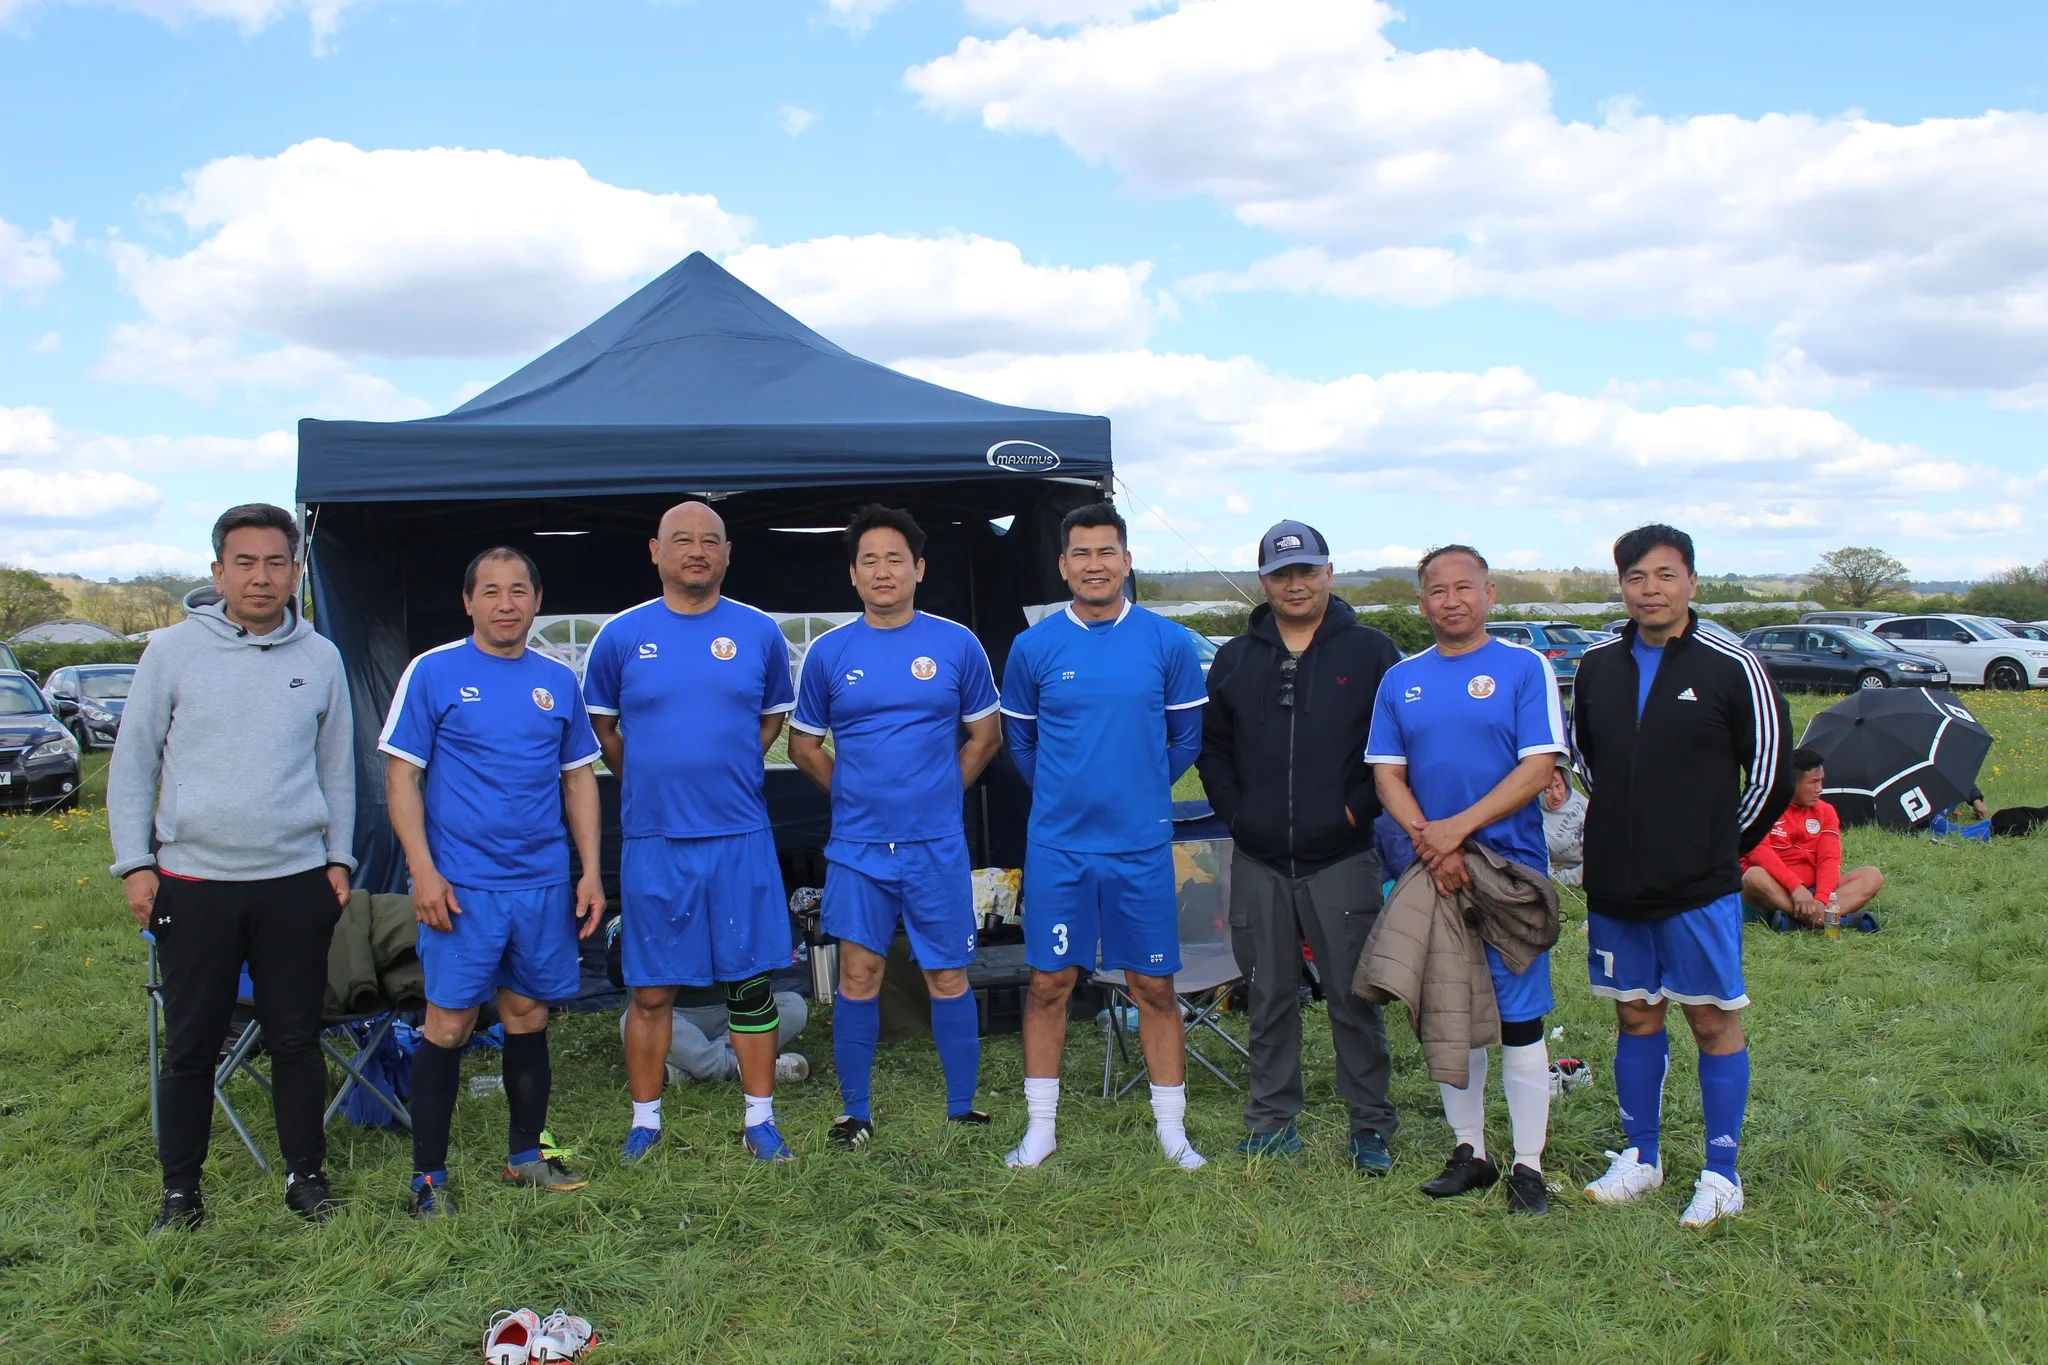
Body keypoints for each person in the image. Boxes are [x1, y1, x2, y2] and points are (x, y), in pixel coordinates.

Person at [109, 503, 355, 1232]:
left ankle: (306, 1177)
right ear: (218, 573)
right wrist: (135, 865)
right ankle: (180, 1193)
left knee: (296, 1039)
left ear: (296, 571)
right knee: (190, 1046)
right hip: (194, 881)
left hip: (295, 881)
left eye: (276, 562)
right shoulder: (171, 652)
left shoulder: (321, 657)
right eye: (244, 562)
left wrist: (338, 859)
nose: (261, 576)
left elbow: (337, 769)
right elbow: (132, 762)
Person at [1572, 524, 1792, 1228]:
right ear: (1621, 585)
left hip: (1699, 884)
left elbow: (1772, 775)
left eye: (1665, 575)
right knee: (1634, 1012)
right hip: (1616, 881)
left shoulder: (1734, 664)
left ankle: (1722, 1173)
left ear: (1692, 581)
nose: (1651, 590)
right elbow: (1587, 761)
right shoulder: (1597, 664)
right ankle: (1641, 1156)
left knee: (1709, 1017)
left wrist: (1715, 847)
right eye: (1636, 577)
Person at [378, 548, 607, 1219]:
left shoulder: (556, 680)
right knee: (448, 1024)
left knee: (528, 1015)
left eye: (518, 591)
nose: (505, 604)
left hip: (541, 884)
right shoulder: (433, 671)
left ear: (537, 600)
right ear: (468, 601)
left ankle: (524, 1156)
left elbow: (578, 779)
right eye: (490, 591)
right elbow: (401, 777)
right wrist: (423, 870)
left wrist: (590, 871)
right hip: (462, 887)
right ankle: (428, 1178)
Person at [583, 501, 800, 1163]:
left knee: (750, 984)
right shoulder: (621, 636)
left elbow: (771, 721)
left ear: (728, 553)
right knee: (651, 990)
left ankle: (760, 1120)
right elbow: (603, 729)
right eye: (682, 540)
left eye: (710, 540)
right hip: (656, 840)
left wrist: (726, 770)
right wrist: (652, 778)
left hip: (739, 837)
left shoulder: (759, 632)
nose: (697, 550)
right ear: (656, 551)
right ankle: (645, 1122)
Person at [999, 502, 1208, 1170]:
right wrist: (1067, 796)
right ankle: (1040, 1129)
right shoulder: (1033, 647)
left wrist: (1137, 792)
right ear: (1063, 565)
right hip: (1059, 847)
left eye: (1106, 551)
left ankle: (1173, 1133)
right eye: (1082, 553)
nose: (1095, 564)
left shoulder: (1168, 642)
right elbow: (1021, 744)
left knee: (1155, 988)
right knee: (1049, 983)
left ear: (1126, 560)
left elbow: (1186, 740)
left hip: (1140, 848)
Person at [789, 505, 1004, 1146]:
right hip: (858, 849)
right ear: (853, 575)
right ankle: (855, 1112)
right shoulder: (829, 652)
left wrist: (937, 794)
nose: (883, 571)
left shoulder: (956, 644)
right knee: (859, 974)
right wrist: (853, 795)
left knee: (948, 973)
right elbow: (803, 746)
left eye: (895, 559)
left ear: (919, 569)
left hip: (936, 845)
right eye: (869, 561)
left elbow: (986, 736)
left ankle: (962, 1109)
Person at [1365, 545, 1568, 1215]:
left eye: (1464, 588)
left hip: (1508, 871)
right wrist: (1433, 840)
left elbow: (1538, 768)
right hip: (1435, 871)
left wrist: (1457, 829)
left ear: (1490, 593)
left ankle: (1529, 1164)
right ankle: (1470, 1150)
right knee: (1452, 1008)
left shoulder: (1525, 667)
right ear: (1421, 601)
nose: (1451, 600)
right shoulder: (1401, 679)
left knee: (1520, 1018)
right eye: (1437, 590)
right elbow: (1387, 775)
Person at [1195, 519, 1403, 1171]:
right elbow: (1213, 748)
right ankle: (1271, 1119)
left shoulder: (1370, 651)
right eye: (1281, 573)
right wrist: (1237, 814)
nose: (1295, 584)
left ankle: (1370, 1124)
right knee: (1268, 994)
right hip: (1259, 858)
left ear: (1329, 573)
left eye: (1307, 571)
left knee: (1354, 996)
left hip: (1342, 856)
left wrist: (1353, 812)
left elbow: (1394, 747)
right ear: (1263, 581)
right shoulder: (1236, 657)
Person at [1740, 748, 1883, 932]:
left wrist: (1822, 898)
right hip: (1777, 891)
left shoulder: (1826, 811)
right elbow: (1759, 852)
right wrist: (1795, 888)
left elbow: (1829, 858)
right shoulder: (1763, 807)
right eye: (1814, 782)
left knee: (1872, 876)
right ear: (1791, 783)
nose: (1820, 789)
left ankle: (1796, 921)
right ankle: (1833, 920)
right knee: (1753, 877)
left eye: (1821, 781)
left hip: (1815, 891)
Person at [1539, 765, 1587, 888]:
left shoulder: (1572, 795)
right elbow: (1549, 878)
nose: (1556, 795)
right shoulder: (1538, 827)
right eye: (1547, 790)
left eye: (1559, 786)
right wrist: (1580, 875)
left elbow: (1598, 815)